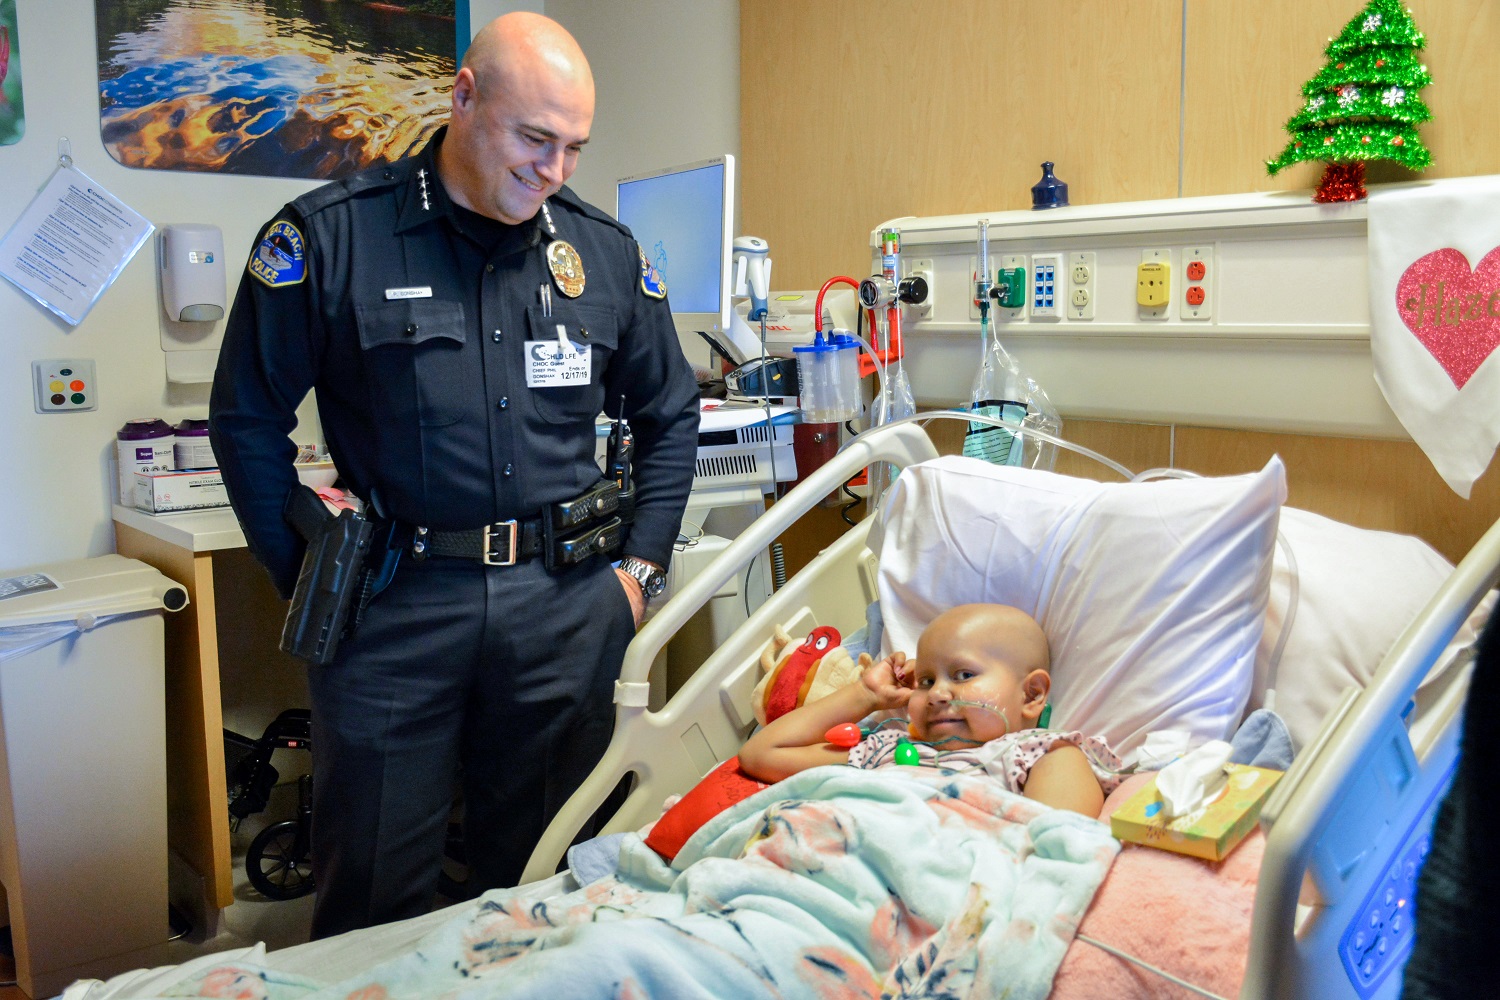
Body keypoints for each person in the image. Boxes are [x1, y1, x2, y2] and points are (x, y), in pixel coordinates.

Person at [208, 12, 700, 938]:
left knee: (543, 887)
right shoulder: (332, 237)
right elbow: (244, 420)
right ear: (464, 99)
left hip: (562, 610)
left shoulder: (602, 254)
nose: (552, 170)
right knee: (373, 900)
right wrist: (308, 577)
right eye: (534, 138)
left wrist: (637, 575)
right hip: (397, 610)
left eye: (573, 148)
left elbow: (669, 415)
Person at [739, 603, 1120, 815]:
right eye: (925, 681)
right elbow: (760, 754)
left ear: (1033, 694)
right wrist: (865, 694)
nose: (938, 694)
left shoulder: (1039, 754)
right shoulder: (885, 747)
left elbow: (1061, 847)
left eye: (963, 674)